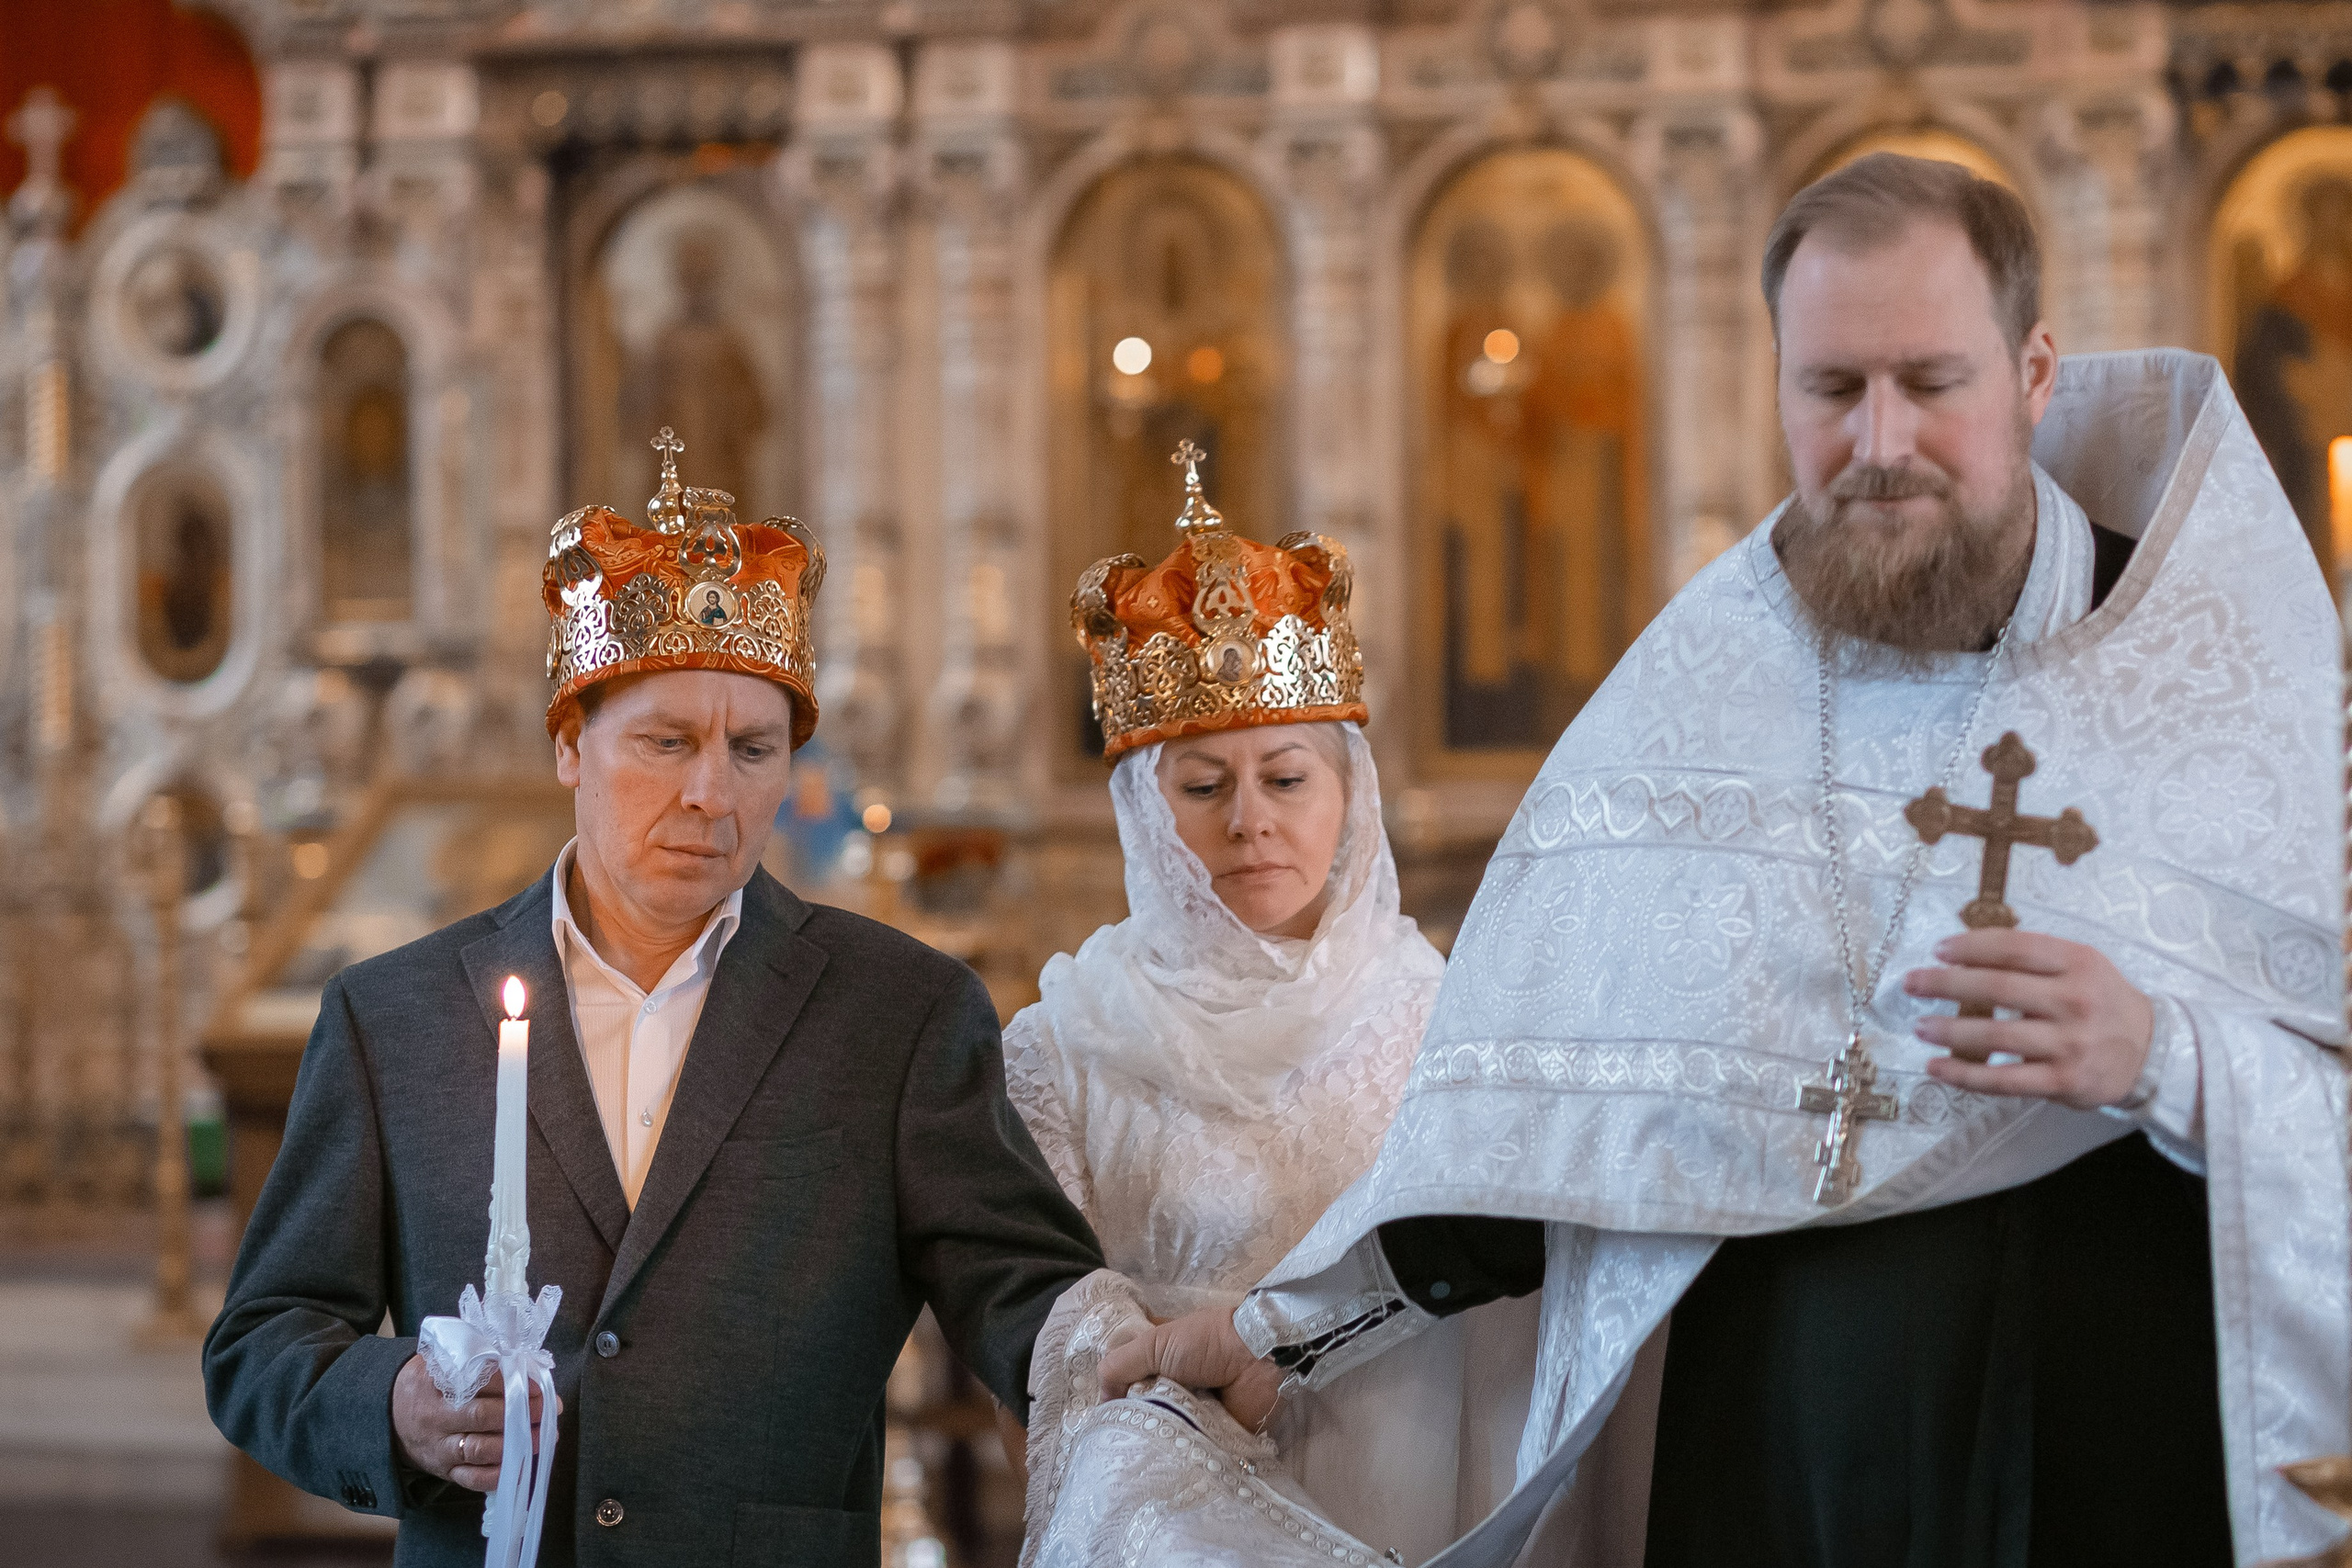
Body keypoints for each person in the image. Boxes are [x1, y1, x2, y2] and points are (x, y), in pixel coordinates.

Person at [1105, 152, 2351, 1566]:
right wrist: (1275, 1326)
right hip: (1784, 1453)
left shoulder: (2216, 668)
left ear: (2034, 374)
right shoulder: (1701, 683)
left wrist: (2165, 1052)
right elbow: (1563, 1105)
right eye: (1832, 387)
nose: (1881, 439)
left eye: (1931, 381)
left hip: (2118, 1439)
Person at [203, 434, 1102, 1567]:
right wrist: (395, 1404)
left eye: (754, 750)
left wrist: (1144, 1353)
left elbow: (1026, 1297)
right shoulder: (395, 1018)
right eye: (667, 742)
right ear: (570, 744)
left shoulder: (899, 1015)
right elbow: (262, 1343)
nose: (711, 793)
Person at [1007, 448, 1543, 1564]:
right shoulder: (1061, 1045)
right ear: (1144, 813)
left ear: (1350, 796)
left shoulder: (1448, 1021)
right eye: (1203, 787)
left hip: (1412, 1486)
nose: (1249, 820)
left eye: (1287, 778)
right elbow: (1039, 1313)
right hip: (1171, 1509)